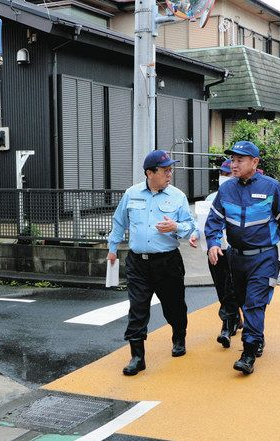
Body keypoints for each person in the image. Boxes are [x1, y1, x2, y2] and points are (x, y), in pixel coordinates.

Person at [205, 141, 280, 375]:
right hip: (236, 259)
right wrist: (213, 244)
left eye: (240, 160)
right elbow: (215, 220)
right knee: (244, 301)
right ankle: (257, 336)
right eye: (233, 160)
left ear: (255, 162)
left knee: (254, 302)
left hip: (264, 257)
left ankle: (248, 352)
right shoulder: (226, 190)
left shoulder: (271, 187)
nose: (233, 165)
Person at [107, 149, 195, 376]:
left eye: (170, 170)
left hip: (167, 262)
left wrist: (176, 227)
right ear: (149, 173)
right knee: (137, 309)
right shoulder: (132, 194)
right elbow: (119, 221)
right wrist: (112, 248)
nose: (169, 174)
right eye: (165, 171)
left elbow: (190, 227)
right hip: (138, 262)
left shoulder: (177, 197)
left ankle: (179, 336)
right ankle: (137, 356)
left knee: (174, 305)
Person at [190, 159, 243, 349]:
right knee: (222, 288)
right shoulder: (211, 198)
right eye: (223, 174)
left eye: (229, 174)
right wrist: (195, 235)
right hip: (215, 250)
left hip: (236, 250)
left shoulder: (243, 195)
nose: (225, 177)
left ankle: (227, 326)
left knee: (234, 288)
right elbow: (202, 224)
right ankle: (234, 318)